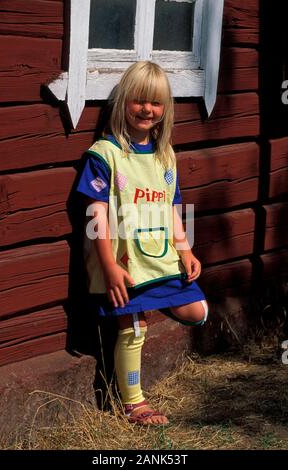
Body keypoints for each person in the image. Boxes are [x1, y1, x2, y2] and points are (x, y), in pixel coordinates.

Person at [76, 61, 208, 426]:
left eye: (156, 103)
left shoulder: (166, 156)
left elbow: (172, 209)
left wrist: (186, 249)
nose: (147, 109)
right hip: (125, 262)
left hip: (160, 258)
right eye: (138, 100)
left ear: (166, 108)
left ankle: (153, 297)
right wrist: (109, 266)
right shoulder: (105, 154)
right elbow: (96, 216)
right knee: (135, 328)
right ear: (123, 103)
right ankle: (133, 402)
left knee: (198, 312)